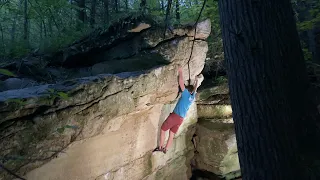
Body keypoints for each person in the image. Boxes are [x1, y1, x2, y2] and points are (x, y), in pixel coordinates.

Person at [153, 66, 202, 154]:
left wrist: (180, 72)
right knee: (171, 135)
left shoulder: (186, 94)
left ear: (187, 91)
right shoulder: (192, 96)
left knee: (163, 129)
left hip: (175, 116)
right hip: (180, 119)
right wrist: (196, 81)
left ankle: (160, 147)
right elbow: (195, 89)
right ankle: (166, 149)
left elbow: (181, 82)